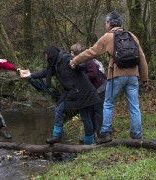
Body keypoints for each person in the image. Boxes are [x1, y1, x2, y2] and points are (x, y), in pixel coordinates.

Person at [69, 11, 151, 144]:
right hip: (133, 76)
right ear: (120, 23)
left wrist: (75, 61)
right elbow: (142, 58)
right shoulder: (132, 36)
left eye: (106, 22)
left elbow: (91, 52)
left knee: (108, 103)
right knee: (134, 106)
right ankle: (137, 135)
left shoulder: (108, 37)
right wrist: (145, 80)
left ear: (109, 23)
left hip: (116, 75)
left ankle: (105, 133)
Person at [20, 45, 101, 145]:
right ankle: (57, 136)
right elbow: (45, 72)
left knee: (84, 116)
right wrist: (30, 75)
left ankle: (88, 142)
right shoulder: (55, 64)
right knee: (60, 109)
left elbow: (83, 65)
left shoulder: (65, 58)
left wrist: (76, 65)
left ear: (51, 55)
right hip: (73, 91)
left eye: (46, 56)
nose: (46, 58)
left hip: (83, 91)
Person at [70, 43, 107, 139]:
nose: (71, 55)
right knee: (90, 112)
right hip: (92, 90)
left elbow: (93, 74)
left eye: (72, 53)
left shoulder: (89, 61)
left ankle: (100, 135)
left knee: (98, 111)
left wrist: (82, 79)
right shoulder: (78, 62)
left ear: (78, 53)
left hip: (99, 87)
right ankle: (92, 134)